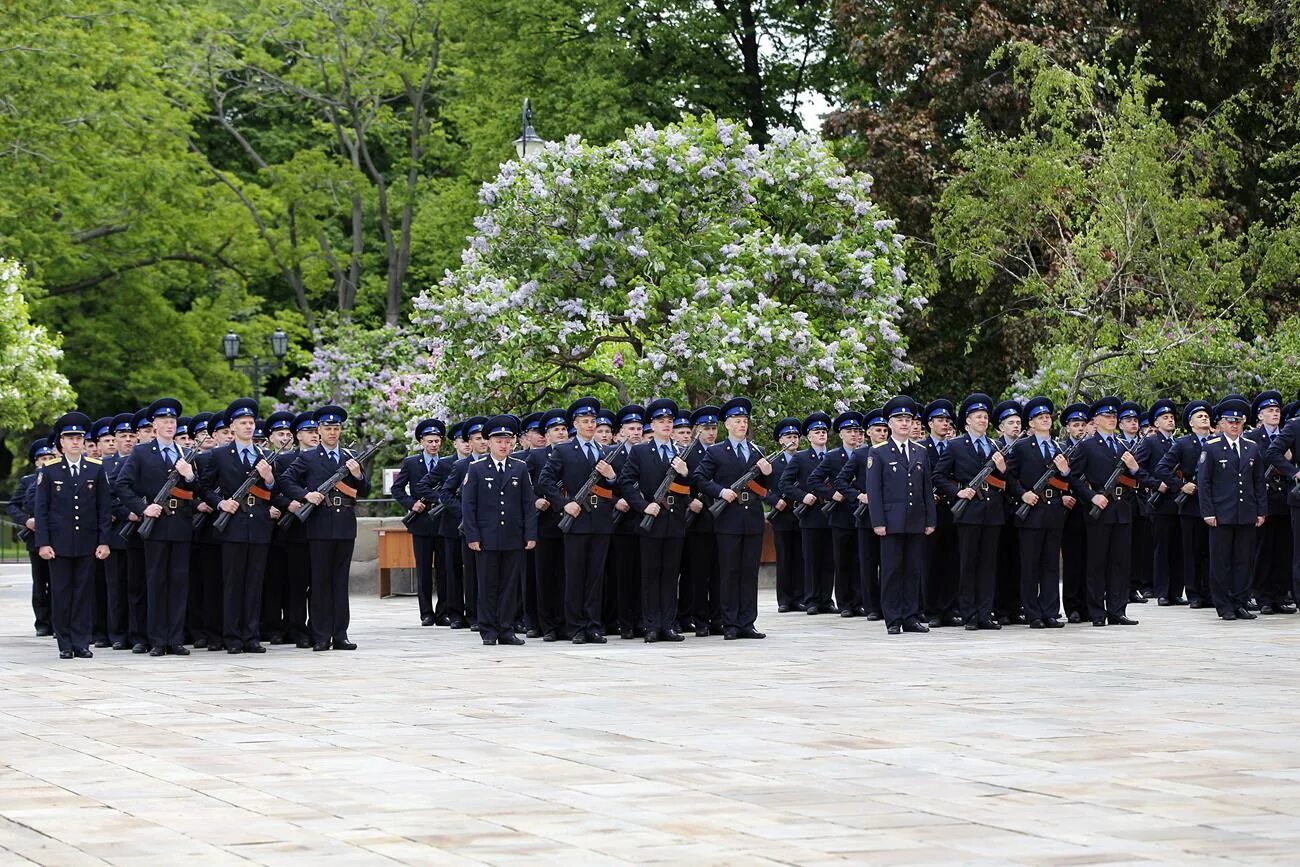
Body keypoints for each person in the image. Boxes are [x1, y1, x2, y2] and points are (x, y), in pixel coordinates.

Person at [280, 405, 372, 651]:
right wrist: (306, 495)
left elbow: (364, 491)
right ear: (319, 430)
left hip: (344, 525)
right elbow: (286, 480)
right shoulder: (308, 457)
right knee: (320, 582)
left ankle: (340, 633)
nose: (333, 432)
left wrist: (358, 475)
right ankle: (321, 634)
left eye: (336, 428)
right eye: (328, 428)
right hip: (319, 524)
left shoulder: (349, 458)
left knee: (340, 582)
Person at [114, 397, 197, 656]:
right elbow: (122, 485)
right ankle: (158, 639)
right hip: (156, 525)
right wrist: (142, 508)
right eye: (164, 421)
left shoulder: (184, 453)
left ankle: (175, 638)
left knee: (179, 583)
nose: (170, 425)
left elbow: (197, 489)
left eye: (173, 421)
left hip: (181, 525)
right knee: (156, 582)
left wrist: (190, 475)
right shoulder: (141, 452)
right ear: (154, 425)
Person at [199, 398, 279, 654]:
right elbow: (203, 487)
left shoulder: (264, 456)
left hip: (258, 527)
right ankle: (232, 636)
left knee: (255, 584)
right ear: (231, 427)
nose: (248, 426)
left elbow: (275, 493)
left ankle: (251, 635)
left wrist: (268, 479)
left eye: (251, 422)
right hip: (232, 527)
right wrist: (220, 504)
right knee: (233, 584)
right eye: (242, 423)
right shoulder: (219, 455)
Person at [537, 398, 618, 644]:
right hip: (576, 521)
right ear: (576, 424)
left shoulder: (605, 452)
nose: (591, 425)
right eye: (585, 421)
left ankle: (593, 625)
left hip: (601, 521)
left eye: (593, 421)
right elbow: (545, 481)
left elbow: (615, 487)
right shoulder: (563, 450)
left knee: (595, 576)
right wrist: (564, 504)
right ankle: (575, 627)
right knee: (575, 575)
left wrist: (612, 476)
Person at [691, 397, 773, 639]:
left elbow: (766, 486)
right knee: (729, 572)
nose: (741, 425)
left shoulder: (758, 451)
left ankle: (747, 622)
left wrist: (768, 474)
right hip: (728, 519)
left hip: (752, 519)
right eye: (737, 421)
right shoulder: (717, 452)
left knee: (749, 572)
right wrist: (720, 491)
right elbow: (699, 478)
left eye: (744, 421)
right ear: (727, 424)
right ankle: (730, 623)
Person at [35, 412, 112, 659]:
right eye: (70, 438)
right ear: (61, 443)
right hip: (58, 544)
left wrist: (104, 541)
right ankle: (64, 643)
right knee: (61, 594)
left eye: (79, 437)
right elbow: (42, 510)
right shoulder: (49, 471)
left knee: (83, 594)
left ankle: (81, 642)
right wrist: (43, 543)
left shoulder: (96, 469)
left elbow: (103, 509)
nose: (75, 442)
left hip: (87, 543)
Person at [618, 398, 692, 642]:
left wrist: (684, 473)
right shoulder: (641, 451)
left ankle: (668, 625)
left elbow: (690, 488)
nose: (666, 425)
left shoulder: (681, 452)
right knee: (650, 575)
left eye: (670, 421)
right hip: (651, 520)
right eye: (661, 421)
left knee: (671, 575)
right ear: (652, 424)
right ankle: (651, 625)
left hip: (675, 521)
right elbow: (626, 481)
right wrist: (643, 506)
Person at [461, 415, 537, 646]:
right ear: (490, 443)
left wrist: (530, 534)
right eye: (499, 441)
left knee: (510, 584)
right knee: (488, 584)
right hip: (487, 536)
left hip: (513, 536)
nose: (504, 445)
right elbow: (469, 505)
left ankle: (506, 629)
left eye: (507, 441)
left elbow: (528, 504)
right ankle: (488, 629)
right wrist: (472, 535)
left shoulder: (520, 468)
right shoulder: (476, 468)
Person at [934, 393, 1006, 630]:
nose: (983, 420)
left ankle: (985, 613)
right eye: (978, 416)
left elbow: (1006, 481)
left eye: (985, 416)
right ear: (967, 421)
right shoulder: (955, 445)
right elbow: (939, 476)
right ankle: (969, 615)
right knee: (968, 564)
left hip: (992, 511)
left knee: (988, 565)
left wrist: (1003, 470)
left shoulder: (996, 446)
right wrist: (958, 492)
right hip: (968, 512)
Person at [865, 396, 935, 634]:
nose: (905, 424)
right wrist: (878, 522)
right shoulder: (879, 452)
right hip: (891, 521)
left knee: (913, 570)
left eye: (908, 419)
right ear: (890, 424)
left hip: (915, 519)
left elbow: (927, 488)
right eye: (899, 420)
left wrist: (930, 519)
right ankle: (893, 619)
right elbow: (874, 491)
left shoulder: (920, 451)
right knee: (892, 570)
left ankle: (910, 616)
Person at [1068, 397, 1139, 627]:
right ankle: (1097, 611)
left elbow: (1136, 478)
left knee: (1120, 563)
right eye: (1107, 416)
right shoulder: (1087, 446)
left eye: (1114, 416)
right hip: (1099, 508)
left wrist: (1134, 468)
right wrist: (1091, 497)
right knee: (1097, 563)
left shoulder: (1123, 446)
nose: (1112, 419)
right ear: (1095, 421)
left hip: (1122, 509)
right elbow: (1073, 478)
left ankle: (1117, 609)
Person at [1198, 397, 1267, 620]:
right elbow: (1204, 482)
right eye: (1230, 421)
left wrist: (1261, 511)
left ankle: (1240, 602)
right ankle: (1224, 605)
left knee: (1244, 561)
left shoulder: (1252, 447)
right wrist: (1207, 511)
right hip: (1221, 513)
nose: (1234, 425)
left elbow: (1258, 482)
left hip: (1246, 512)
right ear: (1221, 424)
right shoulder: (1212, 447)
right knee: (1221, 562)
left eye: (1238, 422)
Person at [1005, 397, 1069, 628]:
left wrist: (1065, 471)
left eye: (1047, 416)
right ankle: (1032, 613)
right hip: (1030, 512)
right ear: (1030, 424)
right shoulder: (1021, 447)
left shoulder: (1059, 448)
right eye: (1039, 417)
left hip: (1053, 512)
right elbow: (1009, 477)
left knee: (1050, 564)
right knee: (1030, 565)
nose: (1045, 419)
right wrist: (1022, 494)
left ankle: (1050, 611)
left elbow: (1067, 481)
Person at [1155, 400, 1214, 608]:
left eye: (1206, 415)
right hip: (1192, 504)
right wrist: (1181, 485)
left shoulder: (1217, 441)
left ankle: (1210, 592)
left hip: (1214, 505)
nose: (1205, 417)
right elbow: (1162, 468)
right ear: (1191, 423)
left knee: (1211, 552)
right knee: (1191, 552)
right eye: (1200, 416)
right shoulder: (1183, 444)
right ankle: (1194, 594)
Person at [391, 417, 447, 626]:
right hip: (421, 521)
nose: (433, 445)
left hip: (442, 521)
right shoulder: (412, 463)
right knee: (423, 569)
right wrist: (410, 503)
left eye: (437, 441)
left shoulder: (446, 463)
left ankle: (443, 612)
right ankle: (426, 612)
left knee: (444, 570)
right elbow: (397, 488)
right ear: (422, 442)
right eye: (430, 441)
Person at [811, 411, 866, 616]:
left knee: (860, 560)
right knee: (842, 561)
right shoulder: (833, 456)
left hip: (863, 514)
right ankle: (844, 603)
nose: (854, 435)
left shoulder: (867, 453)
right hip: (841, 514)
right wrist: (832, 493)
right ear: (841, 434)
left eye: (856, 431)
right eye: (848, 431)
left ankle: (859, 601)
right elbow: (814, 480)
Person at [781, 411, 835, 614]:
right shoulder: (801, 458)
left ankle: (826, 599)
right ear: (809, 436)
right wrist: (802, 496)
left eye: (824, 431)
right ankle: (811, 599)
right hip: (811, 514)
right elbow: (785, 484)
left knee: (830, 560)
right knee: (812, 559)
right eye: (817, 432)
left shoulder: (833, 456)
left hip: (830, 514)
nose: (821, 435)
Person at [1246, 391, 1294, 614]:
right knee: (1263, 549)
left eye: (1277, 411)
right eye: (1270, 411)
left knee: (1284, 549)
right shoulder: (1253, 438)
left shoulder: (1287, 435)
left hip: (1285, 498)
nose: (1275, 414)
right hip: (1264, 497)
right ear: (1260, 416)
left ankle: (1279, 594)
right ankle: (1262, 595)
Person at [8, 438, 58, 637]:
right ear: (36, 461)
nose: (46, 461)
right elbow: (13, 505)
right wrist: (27, 520)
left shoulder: (58, 476)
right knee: (40, 582)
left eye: (49, 457)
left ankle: (57, 621)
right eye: (42, 458)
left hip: (56, 535)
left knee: (57, 582)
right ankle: (42, 622)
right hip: (36, 536)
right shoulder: (28, 481)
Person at [1143, 399, 1184, 606]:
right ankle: (1161, 591)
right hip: (1160, 503)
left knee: (1178, 548)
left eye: (1171, 417)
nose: (1170, 420)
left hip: (1179, 502)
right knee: (1162, 548)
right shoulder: (1150, 442)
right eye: (1165, 418)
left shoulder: (1179, 443)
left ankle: (1176, 591)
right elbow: (1137, 469)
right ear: (1156, 423)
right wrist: (1155, 483)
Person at [765, 418, 804, 613]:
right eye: (788, 436)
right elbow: (761, 487)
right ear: (780, 440)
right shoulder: (773, 462)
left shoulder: (803, 458)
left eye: (796, 436)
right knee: (784, 557)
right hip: (782, 513)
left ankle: (800, 597)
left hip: (801, 514)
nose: (793, 440)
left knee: (800, 557)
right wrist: (774, 501)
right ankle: (784, 599)